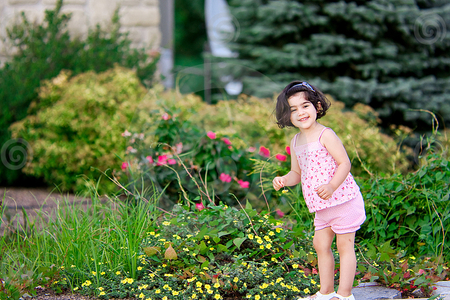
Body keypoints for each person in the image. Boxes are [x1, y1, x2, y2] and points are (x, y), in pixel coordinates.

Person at [272, 81, 366, 300]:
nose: (301, 113)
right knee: (320, 244)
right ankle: (325, 292)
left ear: (317, 107)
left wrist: (332, 185)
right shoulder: (296, 142)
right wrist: (284, 180)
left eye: (305, 106)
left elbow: (344, 163)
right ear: (287, 116)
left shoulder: (326, 134)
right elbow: (297, 173)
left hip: (343, 201)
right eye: (293, 109)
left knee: (344, 245)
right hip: (321, 207)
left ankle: (344, 295)